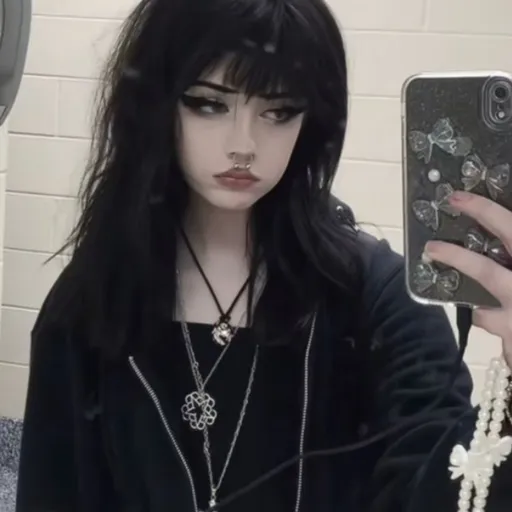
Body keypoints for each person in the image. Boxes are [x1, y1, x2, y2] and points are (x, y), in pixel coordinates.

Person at [14, 0, 512, 511]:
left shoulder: (376, 296)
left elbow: (448, 492)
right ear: (157, 104)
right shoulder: (90, 304)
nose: (243, 145)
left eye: (278, 111)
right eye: (209, 104)